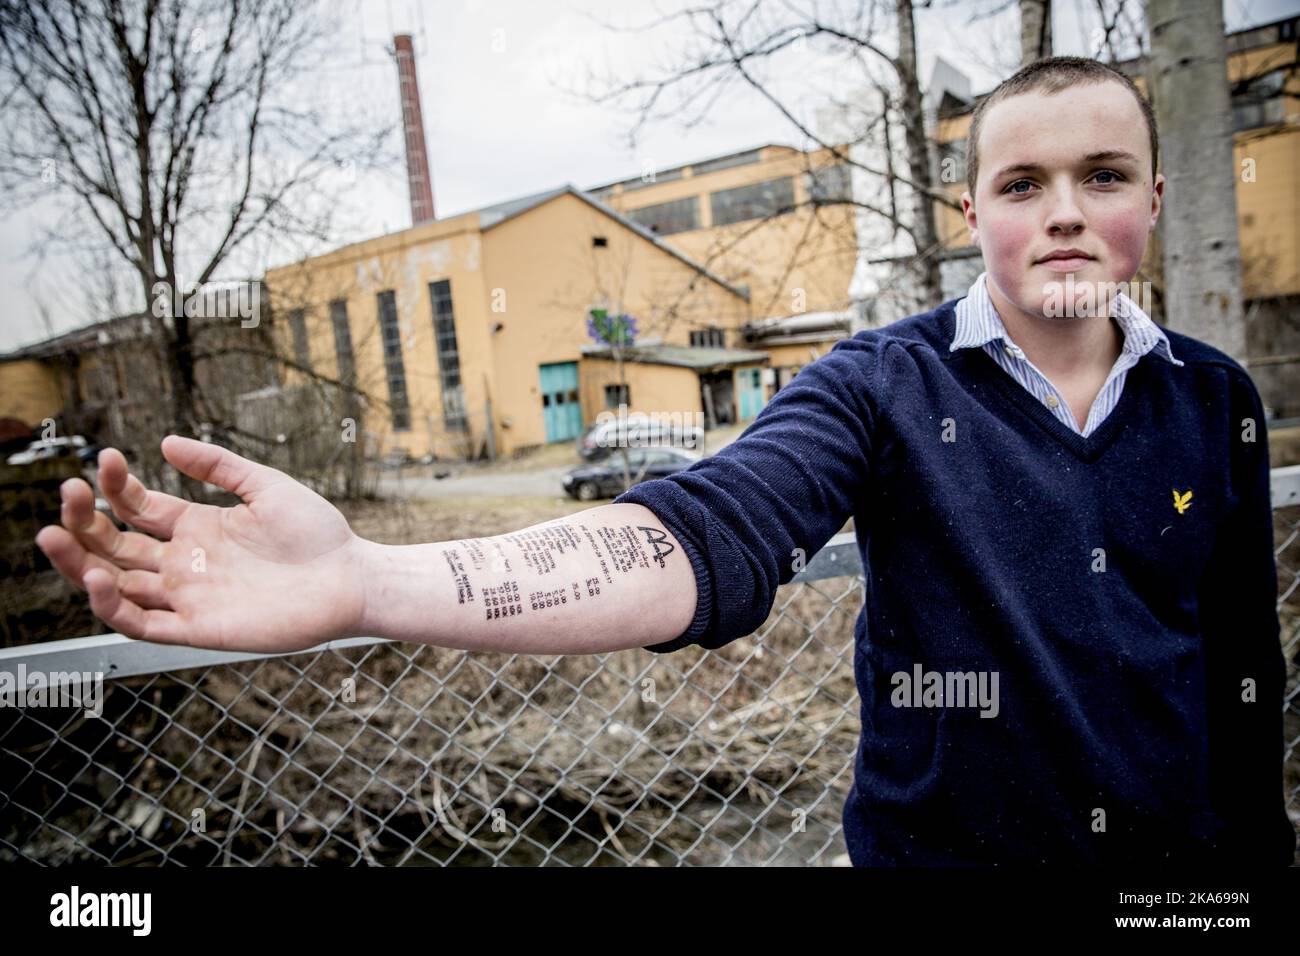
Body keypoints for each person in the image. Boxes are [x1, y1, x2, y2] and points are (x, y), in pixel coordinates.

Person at [35, 55, 1295, 866]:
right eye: (1022, 180)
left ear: (1155, 197)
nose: (1064, 208)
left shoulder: (1214, 399)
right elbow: (699, 532)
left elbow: (1241, 680)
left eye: (1103, 173)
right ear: (973, 216)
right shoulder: (881, 386)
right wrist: (371, 579)